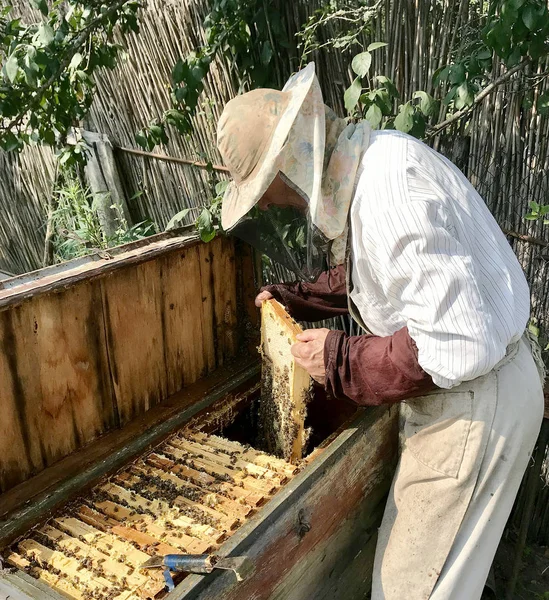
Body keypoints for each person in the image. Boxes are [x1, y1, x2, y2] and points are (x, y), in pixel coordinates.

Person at [216, 63, 545, 599]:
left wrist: (341, 358)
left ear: (289, 166)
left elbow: (455, 345)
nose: (280, 204)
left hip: (473, 406)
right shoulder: (379, 161)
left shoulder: (389, 187)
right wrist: (294, 297)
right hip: (475, 396)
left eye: (273, 193)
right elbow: (378, 275)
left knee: (411, 591)